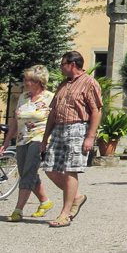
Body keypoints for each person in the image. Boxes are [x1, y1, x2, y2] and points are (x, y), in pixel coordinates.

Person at [40, 51, 102, 228]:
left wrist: (90, 137)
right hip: (59, 128)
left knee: (70, 170)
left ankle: (65, 213)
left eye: (62, 64)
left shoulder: (89, 82)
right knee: (50, 168)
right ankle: (76, 197)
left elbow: (96, 110)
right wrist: (45, 138)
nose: (61, 67)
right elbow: (53, 113)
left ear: (72, 64)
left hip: (78, 128)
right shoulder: (63, 84)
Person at [1, 65, 55, 222]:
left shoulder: (50, 97)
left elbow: (54, 121)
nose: (24, 82)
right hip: (21, 139)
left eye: (27, 80)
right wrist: (5, 142)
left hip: (38, 139)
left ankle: (18, 210)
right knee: (27, 171)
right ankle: (45, 202)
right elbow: (15, 121)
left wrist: (48, 140)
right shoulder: (23, 97)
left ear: (38, 81)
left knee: (28, 172)